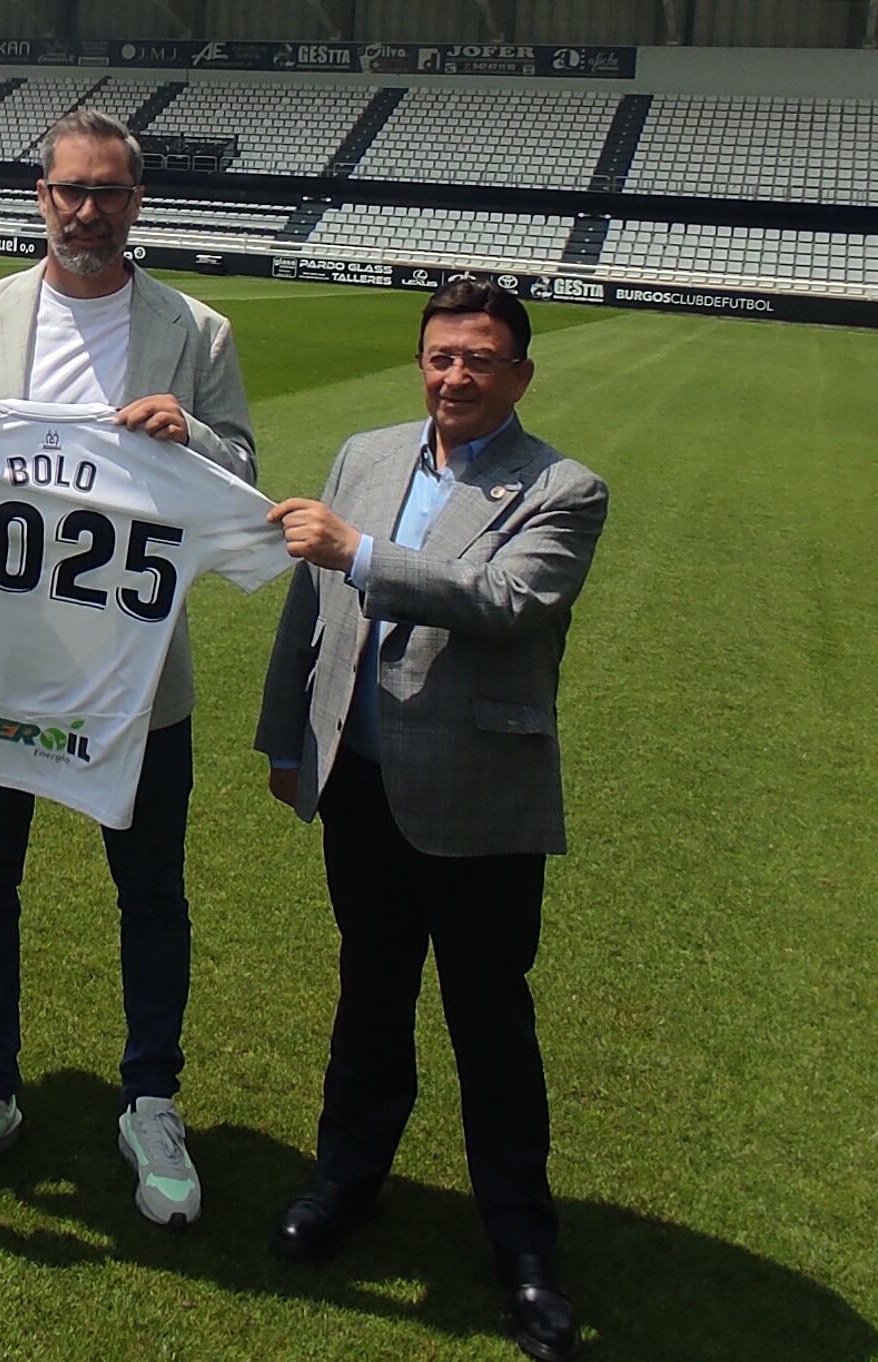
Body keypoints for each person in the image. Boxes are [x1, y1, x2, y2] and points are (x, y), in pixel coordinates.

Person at [0, 108, 256, 1227]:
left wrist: (188, 437)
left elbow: (242, 477)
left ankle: (150, 1097)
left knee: (148, 891)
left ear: (134, 203)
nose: (84, 211)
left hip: (133, 677)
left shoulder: (195, 332)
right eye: (67, 189)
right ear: (39, 195)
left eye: (106, 193)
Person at [256, 279, 607, 1361]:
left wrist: (359, 553)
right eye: (440, 356)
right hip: (357, 778)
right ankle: (345, 1182)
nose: (454, 375)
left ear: (518, 375)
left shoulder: (561, 487)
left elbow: (503, 601)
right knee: (368, 992)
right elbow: (307, 610)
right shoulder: (367, 451)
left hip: (473, 795)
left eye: (479, 360)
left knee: (488, 1024)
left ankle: (521, 1246)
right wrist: (284, 737)